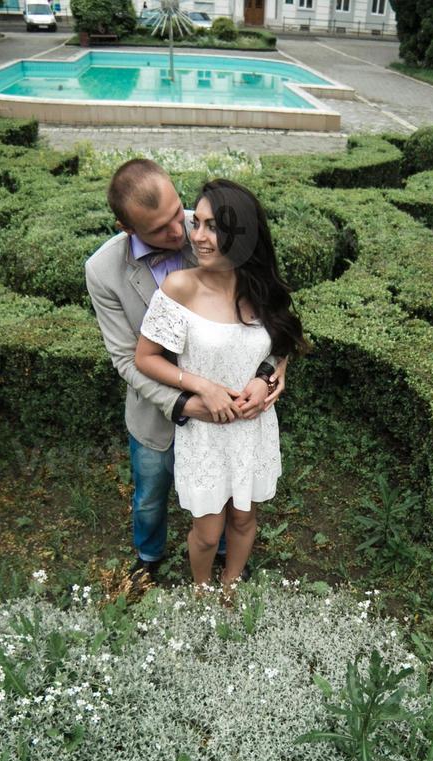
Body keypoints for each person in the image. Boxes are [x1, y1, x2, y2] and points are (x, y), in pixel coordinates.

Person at [84, 160, 286, 587]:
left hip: (234, 415)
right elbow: (127, 358)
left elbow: (274, 314)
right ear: (126, 227)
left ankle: (229, 558)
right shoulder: (102, 270)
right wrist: (185, 401)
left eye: (180, 212)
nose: (181, 232)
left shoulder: (214, 228)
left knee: (232, 501)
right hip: (159, 406)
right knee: (151, 494)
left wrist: (272, 370)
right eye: (160, 229)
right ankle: (149, 556)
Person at [133, 179, 310, 601]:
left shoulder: (262, 289)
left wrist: (266, 375)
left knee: (246, 521)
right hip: (206, 432)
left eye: (212, 226)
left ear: (241, 233)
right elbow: (146, 358)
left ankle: (230, 588)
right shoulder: (181, 288)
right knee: (208, 532)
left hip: (252, 429)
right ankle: (201, 590)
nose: (197, 235)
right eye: (198, 223)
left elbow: (282, 341)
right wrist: (202, 386)